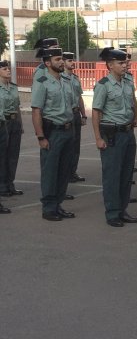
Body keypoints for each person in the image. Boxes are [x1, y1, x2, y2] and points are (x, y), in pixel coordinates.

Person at [92, 47, 137, 228]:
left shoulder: (128, 81)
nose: (125, 65)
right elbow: (96, 112)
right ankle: (112, 213)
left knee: (126, 174)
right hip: (112, 135)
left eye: (125, 62)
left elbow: (132, 100)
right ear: (110, 65)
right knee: (112, 175)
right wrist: (98, 138)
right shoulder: (103, 85)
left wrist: (134, 118)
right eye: (120, 63)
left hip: (128, 133)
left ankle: (122, 210)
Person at [31, 46, 76, 221]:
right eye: (57, 60)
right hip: (53, 132)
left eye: (61, 59)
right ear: (47, 63)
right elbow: (36, 111)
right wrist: (41, 137)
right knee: (50, 171)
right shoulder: (42, 82)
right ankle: (49, 208)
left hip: (68, 130)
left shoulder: (66, 80)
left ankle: (58, 204)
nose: (61, 62)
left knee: (64, 171)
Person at [62, 52, 86, 187]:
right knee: (68, 145)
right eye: (70, 61)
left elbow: (79, 97)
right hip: (67, 114)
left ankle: (73, 172)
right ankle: (66, 173)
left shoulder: (75, 78)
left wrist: (84, 115)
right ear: (64, 62)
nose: (73, 63)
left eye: (73, 60)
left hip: (76, 114)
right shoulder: (61, 78)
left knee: (76, 145)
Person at [0, 61, 19, 201]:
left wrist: (20, 124)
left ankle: (10, 183)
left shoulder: (13, 87)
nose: (8, 70)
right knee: (2, 156)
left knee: (13, 155)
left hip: (14, 122)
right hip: (3, 122)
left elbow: (17, 107)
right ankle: (2, 185)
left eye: (8, 68)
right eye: (4, 69)